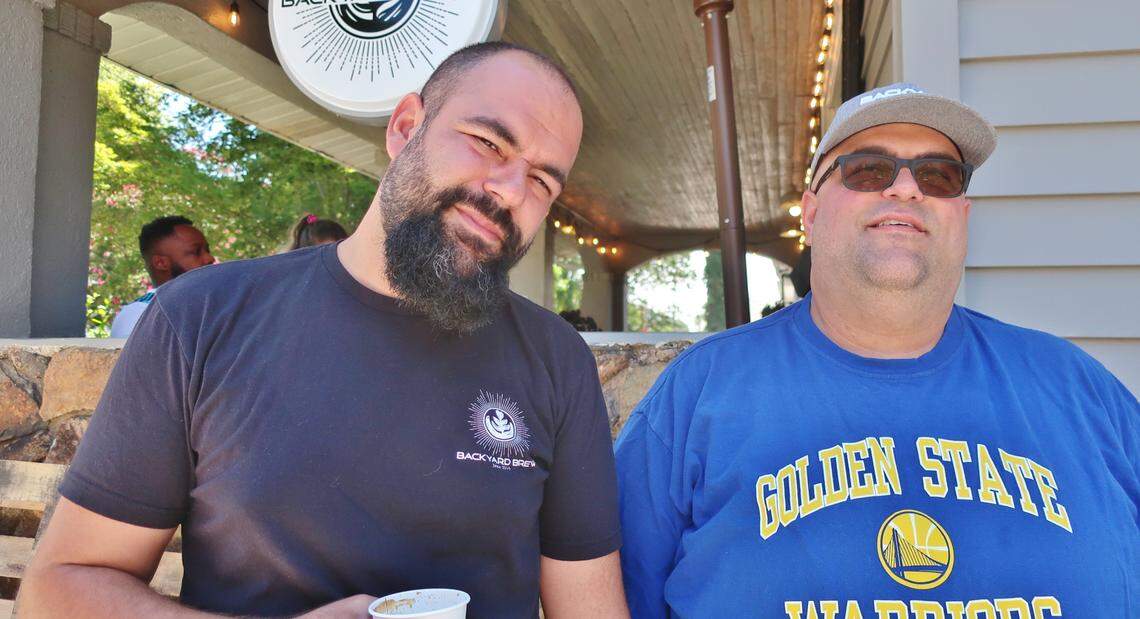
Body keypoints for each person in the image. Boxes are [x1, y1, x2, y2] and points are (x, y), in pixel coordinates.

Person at [21, 42, 627, 619]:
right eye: (488, 141)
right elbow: (56, 590)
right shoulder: (203, 315)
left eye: (543, 181)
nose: (511, 191)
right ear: (406, 126)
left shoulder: (555, 359)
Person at [615, 83, 1139, 617]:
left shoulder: (1080, 392)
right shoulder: (700, 391)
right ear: (811, 214)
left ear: (964, 215)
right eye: (868, 169)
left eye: (939, 175)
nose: (908, 190)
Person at [109, 215, 215, 338]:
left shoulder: (210, 306)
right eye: (196, 252)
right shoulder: (140, 314)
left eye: (207, 250)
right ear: (161, 263)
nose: (210, 258)